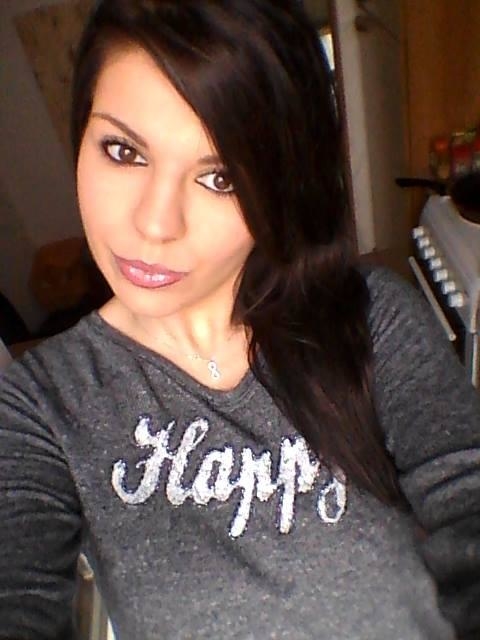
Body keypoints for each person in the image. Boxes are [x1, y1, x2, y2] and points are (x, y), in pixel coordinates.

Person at [0, 1, 478, 639]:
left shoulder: (369, 315)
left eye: (220, 177)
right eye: (123, 150)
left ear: (280, 187)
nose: (154, 225)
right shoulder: (40, 405)